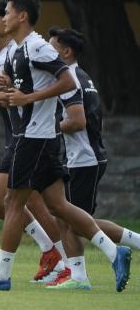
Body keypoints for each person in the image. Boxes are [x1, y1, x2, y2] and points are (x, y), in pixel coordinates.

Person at [0, 0, 131, 292]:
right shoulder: (20, 50)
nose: (1, 19)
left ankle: (2, 276)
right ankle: (112, 251)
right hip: (42, 137)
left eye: (7, 13)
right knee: (57, 205)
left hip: (33, 138)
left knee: (13, 202)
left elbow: (67, 81)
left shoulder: (36, 46)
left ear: (22, 17)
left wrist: (23, 97)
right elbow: (22, 96)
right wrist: (2, 92)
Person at [0, 1, 64, 282]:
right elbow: (13, 97)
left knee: (5, 201)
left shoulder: (22, 50)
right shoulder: (11, 55)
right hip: (22, 136)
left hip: (28, 137)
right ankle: (60, 259)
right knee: (35, 202)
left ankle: (60, 259)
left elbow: (18, 97)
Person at [45, 27, 140, 290]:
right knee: (71, 219)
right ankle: (80, 275)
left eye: (52, 48)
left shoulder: (70, 79)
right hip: (89, 156)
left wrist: (48, 127)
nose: (47, 54)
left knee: (73, 220)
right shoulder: (84, 76)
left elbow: (76, 121)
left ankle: (79, 278)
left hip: (83, 159)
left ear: (66, 51)